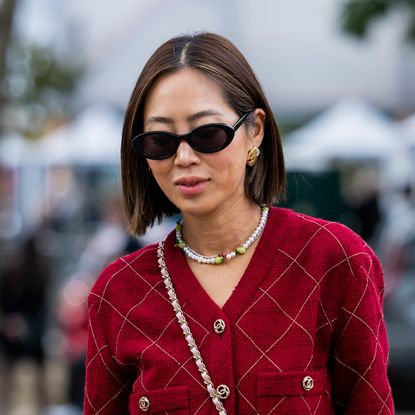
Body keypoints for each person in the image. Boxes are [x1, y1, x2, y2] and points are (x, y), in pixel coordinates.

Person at [84, 32, 394, 414]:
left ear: (255, 131)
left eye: (208, 134)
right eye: (160, 141)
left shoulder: (335, 261)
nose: (183, 157)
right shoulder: (117, 293)